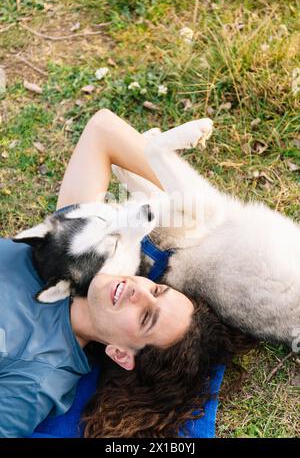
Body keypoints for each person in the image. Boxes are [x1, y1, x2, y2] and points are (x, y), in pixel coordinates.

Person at [0, 109, 255, 438]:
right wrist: (197, 201)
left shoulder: (41, 373)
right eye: (157, 291)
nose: (139, 292)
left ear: (120, 353)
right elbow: (102, 130)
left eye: (146, 317)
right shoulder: (79, 252)